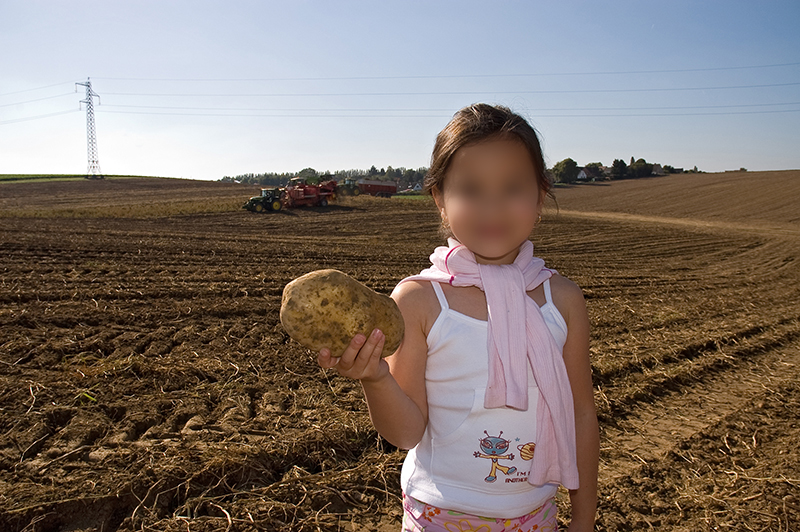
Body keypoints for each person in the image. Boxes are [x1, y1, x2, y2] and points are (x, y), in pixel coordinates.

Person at [317, 103, 599, 531]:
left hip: (537, 515)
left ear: (540, 195)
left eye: (512, 188)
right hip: (440, 516)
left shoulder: (562, 300)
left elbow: (581, 415)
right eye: (470, 189)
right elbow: (406, 433)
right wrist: (375, 378)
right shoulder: (420, 300)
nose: (492, 207)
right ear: (440, 199)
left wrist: (583, 520)